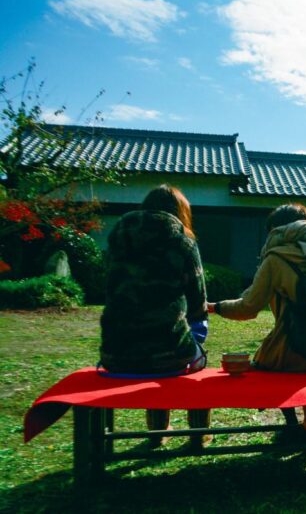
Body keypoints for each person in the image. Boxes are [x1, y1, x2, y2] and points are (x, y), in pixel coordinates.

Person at [208, 203, 306, 436]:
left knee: (268, 358)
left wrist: (215, 307)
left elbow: (248, 308)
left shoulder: (276, 258)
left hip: (295, 355)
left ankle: (298, 426)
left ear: (276, 230)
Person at [99, 184, 211, 447]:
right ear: (180, 212)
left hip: (116, 352)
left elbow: (109, 286)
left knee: (161, 348)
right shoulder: (182, 241)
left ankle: (157, 431)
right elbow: (198, 302)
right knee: (195, 359)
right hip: (169, 355)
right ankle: (198, 433)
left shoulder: (118, 239)